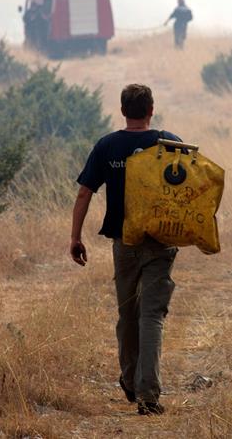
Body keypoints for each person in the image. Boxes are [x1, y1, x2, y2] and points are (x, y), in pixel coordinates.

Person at [70, 84, 182, 416]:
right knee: (151, 316)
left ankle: (131, 381)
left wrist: (75, 237)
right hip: (160, 242)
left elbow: (84, 193)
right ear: (151, 109)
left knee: (127, 314)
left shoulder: (108, 146)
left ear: (122, 110)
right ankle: (148, 394)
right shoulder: (169, 142)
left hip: (124, 243)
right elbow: (191, 190)